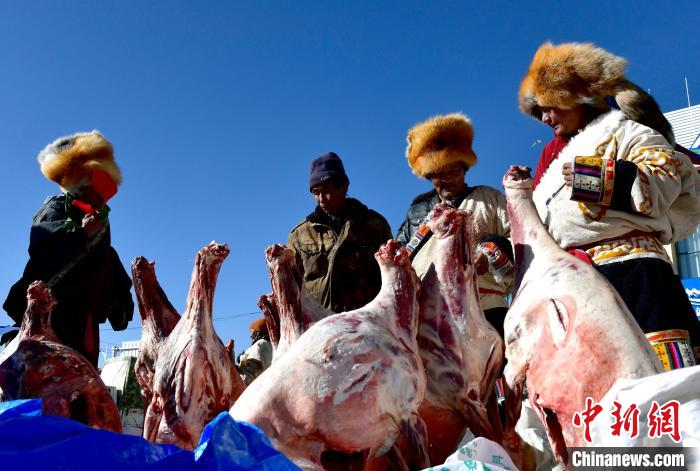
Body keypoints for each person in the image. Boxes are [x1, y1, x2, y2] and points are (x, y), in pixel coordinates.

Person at [519, 41, 700, 350]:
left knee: (661, 374)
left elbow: (665, 180)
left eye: (548, 107)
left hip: (635, 273)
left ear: (577, 97)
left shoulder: (630, 132)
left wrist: (595, 180)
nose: (545, 119)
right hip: (577, 284)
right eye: (540, 113)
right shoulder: (552, 157)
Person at [3, 131, 134, 367]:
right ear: (82, 185)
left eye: (102, 197)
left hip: (85, 325)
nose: (99, 200)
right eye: (95, 192)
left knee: (80, 381)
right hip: (50, 315)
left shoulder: (101, 225)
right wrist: (82, 233)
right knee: (43, 376)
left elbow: (108, 262)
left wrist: (120, 303)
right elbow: (42, 248)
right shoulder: (55, 208)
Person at [396, 113, 514, 338]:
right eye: (439, 173)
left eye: (453, 170)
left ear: (464, 169)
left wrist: (491, 254)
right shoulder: (418, 210)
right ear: (429, 176)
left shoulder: (490, 199)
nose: (447, 178)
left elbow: (521, 239)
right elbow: (403, 255)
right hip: (429, 317)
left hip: (486, 309)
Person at [288, 152, 392, 313]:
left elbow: (392, 272)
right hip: (321, 322)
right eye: (316, 193)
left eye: (326, 190)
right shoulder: (300, 234)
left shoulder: (374, 224)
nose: (321, 199)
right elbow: (291, 287)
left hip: (368, 318)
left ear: (344, 186)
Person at [237, 317, 273, 385]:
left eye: (251, 332)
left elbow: (249, 367)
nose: (250, 336)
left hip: (255, 385)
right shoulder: (272, 345)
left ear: (257, 332)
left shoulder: (259, 344)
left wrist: (240, 358)